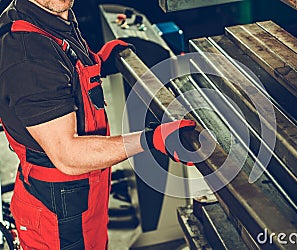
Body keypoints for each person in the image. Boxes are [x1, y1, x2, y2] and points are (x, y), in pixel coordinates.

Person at [0, 0, 196, 249]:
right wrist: (152, 139)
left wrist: (97, 63)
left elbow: (62, 75)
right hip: (60, 210)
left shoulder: (50, 15)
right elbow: (67, 155)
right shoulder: (28, 53)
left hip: (80, 194)